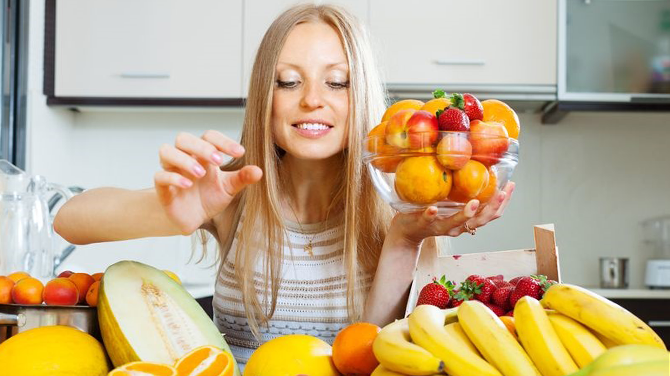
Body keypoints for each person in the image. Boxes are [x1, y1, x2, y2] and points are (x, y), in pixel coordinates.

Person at [54, 3, 514, 368]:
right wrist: (171, 213)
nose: (312, 99)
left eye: (337, 83)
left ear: (363, 98)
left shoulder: (400, 206)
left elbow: (369, 359)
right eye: (288, 81)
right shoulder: (233, 192)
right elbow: (69, 220)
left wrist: (403, 239)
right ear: (264, 98)